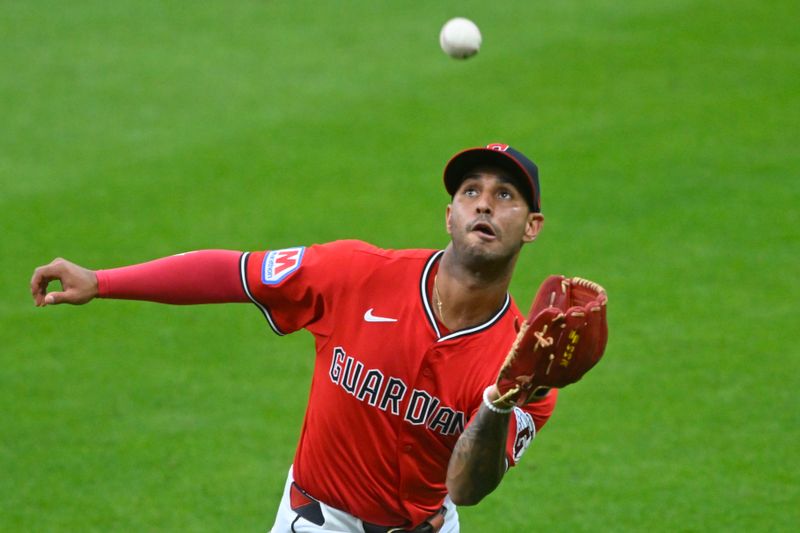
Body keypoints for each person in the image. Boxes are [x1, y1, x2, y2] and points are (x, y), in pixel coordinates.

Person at [31, 143, 559, 533]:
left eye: (504, 195)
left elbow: (468, 487)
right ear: (449, 216)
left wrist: (500, 401)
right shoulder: (355, 272)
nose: (484, 205)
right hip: (316, 520)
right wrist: (102, 281)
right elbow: (234, 273)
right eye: (471, 192)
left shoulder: (529, 364)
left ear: (531, 226)